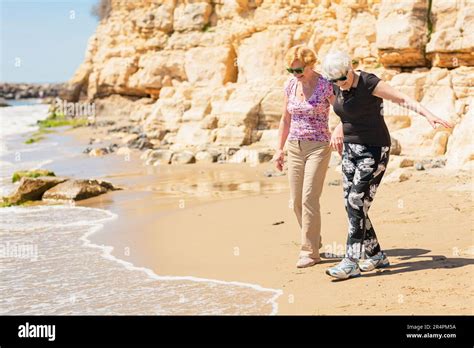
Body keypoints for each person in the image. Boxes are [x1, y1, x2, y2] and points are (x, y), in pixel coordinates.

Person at [322, 51, 453, 280]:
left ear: (350, 68)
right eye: (334, 81)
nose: (339, 85)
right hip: (350, 150)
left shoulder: (368, 82)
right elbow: (345, 113)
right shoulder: (335, 82)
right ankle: (376, 255)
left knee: (356, 201)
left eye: (342, 80)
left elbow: (402, 99)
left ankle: (350, 262)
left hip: (374, 149)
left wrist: (428, 115)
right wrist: (337, 127)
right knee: (351, 204)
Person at [273, 45, 334, 268]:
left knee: (309, 198)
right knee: (297, 201)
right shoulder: (290, 85)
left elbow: (342, 111)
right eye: (291, 70)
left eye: (299, 70)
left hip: (318, 146)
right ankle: (314, 239)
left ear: (310, 65)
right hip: (294, 148)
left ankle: (310, 251)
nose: (295, 74)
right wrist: (279, 149)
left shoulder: (326, 85)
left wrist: (340, 130)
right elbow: (285, 119)